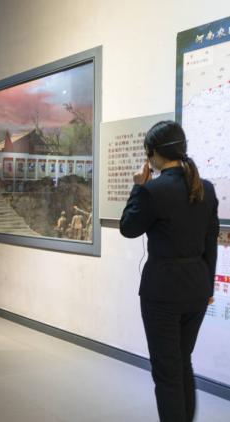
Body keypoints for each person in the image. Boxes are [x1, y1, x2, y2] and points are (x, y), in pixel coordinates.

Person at [120, 120, 219, 422]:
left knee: (166, 372)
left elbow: (128, 228)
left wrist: (138, 187)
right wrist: (208, 289)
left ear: (153, 153)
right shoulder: (206, 189)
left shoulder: (152, 190)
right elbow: (210, 244)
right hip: (196, 290)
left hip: (162, 292)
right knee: (182, 362)